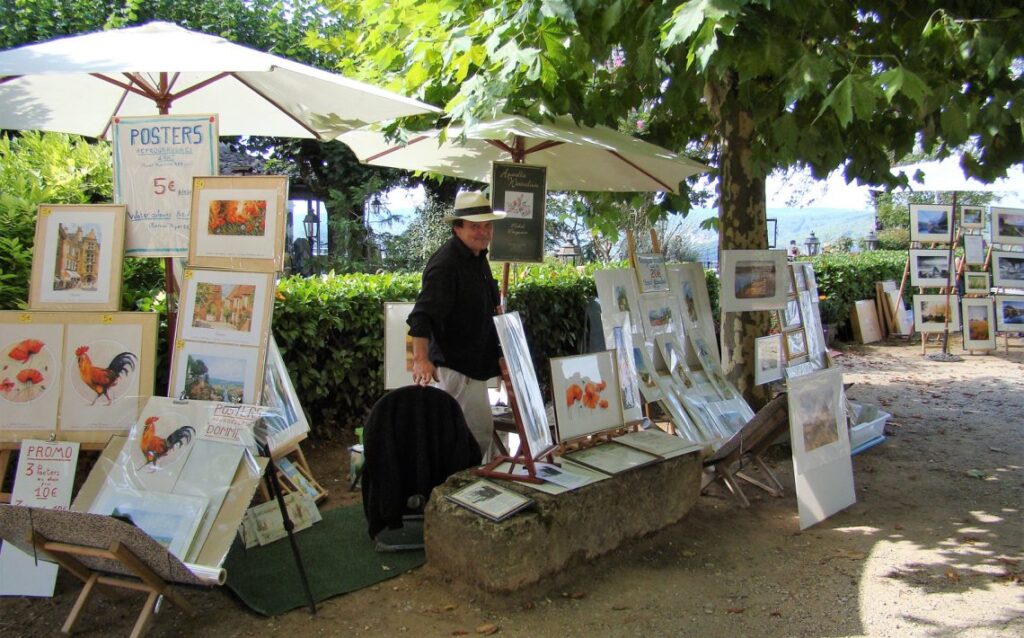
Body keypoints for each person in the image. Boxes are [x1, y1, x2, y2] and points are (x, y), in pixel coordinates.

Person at [407, 191, 506, 461]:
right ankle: (461, 491)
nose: (483, 232)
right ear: (457, 228)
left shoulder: (477, 257)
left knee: (474, 435)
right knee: (474, 435)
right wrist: (420, 359)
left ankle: (468, 485)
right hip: (457, 365)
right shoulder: (447, 263)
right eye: (475, 226)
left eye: (487, 226)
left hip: (472, 364)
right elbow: (422, 315)